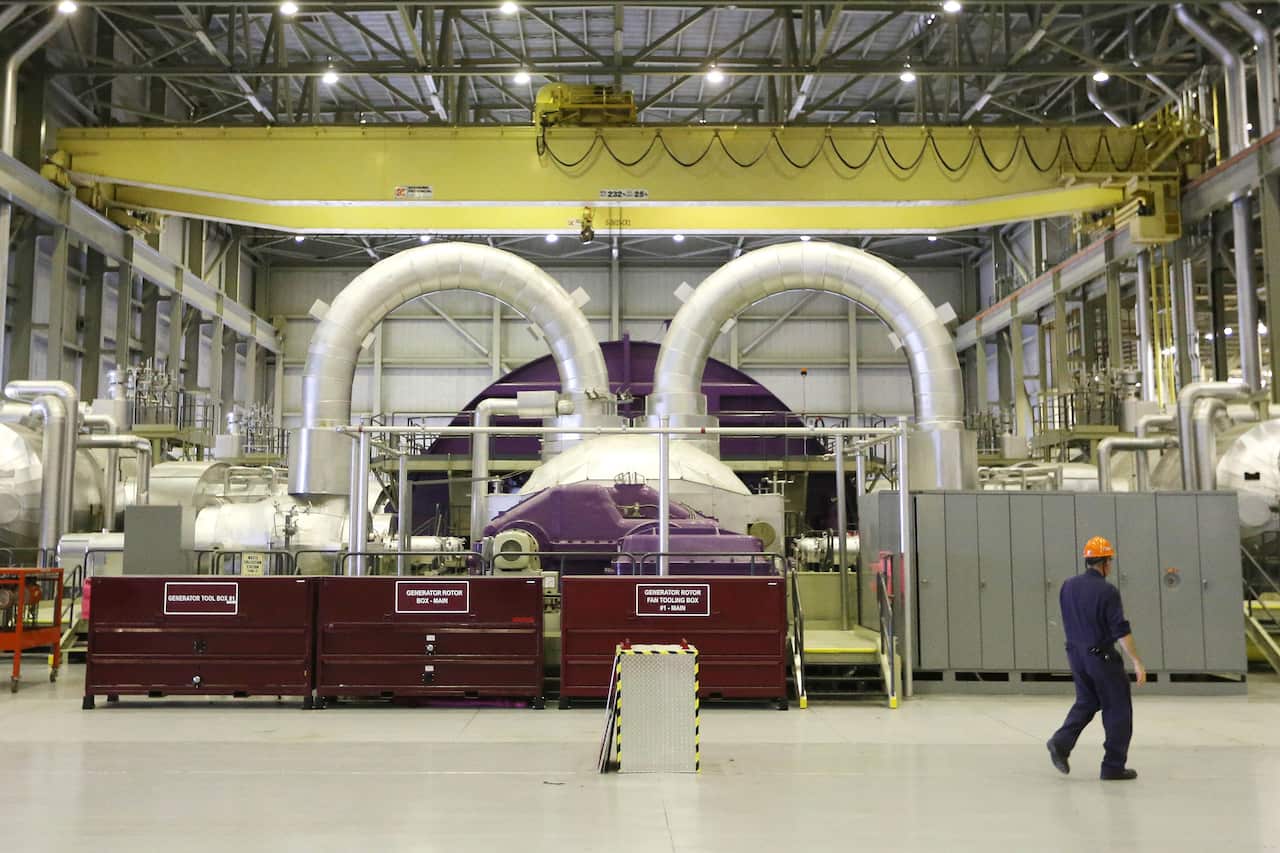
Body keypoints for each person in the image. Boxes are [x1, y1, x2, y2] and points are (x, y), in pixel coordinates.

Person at [1046, 536, 1146, 781]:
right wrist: (1136, 661)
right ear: (1104, 563)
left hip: (1076, 656)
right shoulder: (1107, 591)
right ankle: (1113, 766)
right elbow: (1121, 631)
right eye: (1110, 561)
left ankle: (1060, 743)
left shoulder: (1067, 586)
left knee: (1087, 700)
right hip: (1101, 658)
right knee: (1118, 709)